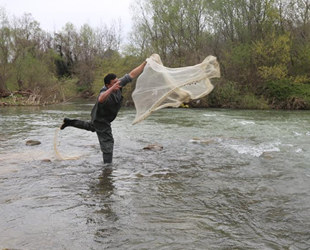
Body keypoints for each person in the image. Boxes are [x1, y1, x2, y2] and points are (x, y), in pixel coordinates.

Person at [60, 61, 147, 164]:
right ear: (107, 85)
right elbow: (101, 99)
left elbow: (131, 75)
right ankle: (107, 167)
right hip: (101, 120)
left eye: (117, 81)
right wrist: (112, 89)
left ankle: (70, 122)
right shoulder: (104, 91)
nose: (117, 84)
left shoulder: (118, 84)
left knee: (91, 126)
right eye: (114, 83)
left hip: (99, 116)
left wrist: (145, 63)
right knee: (108, 141)